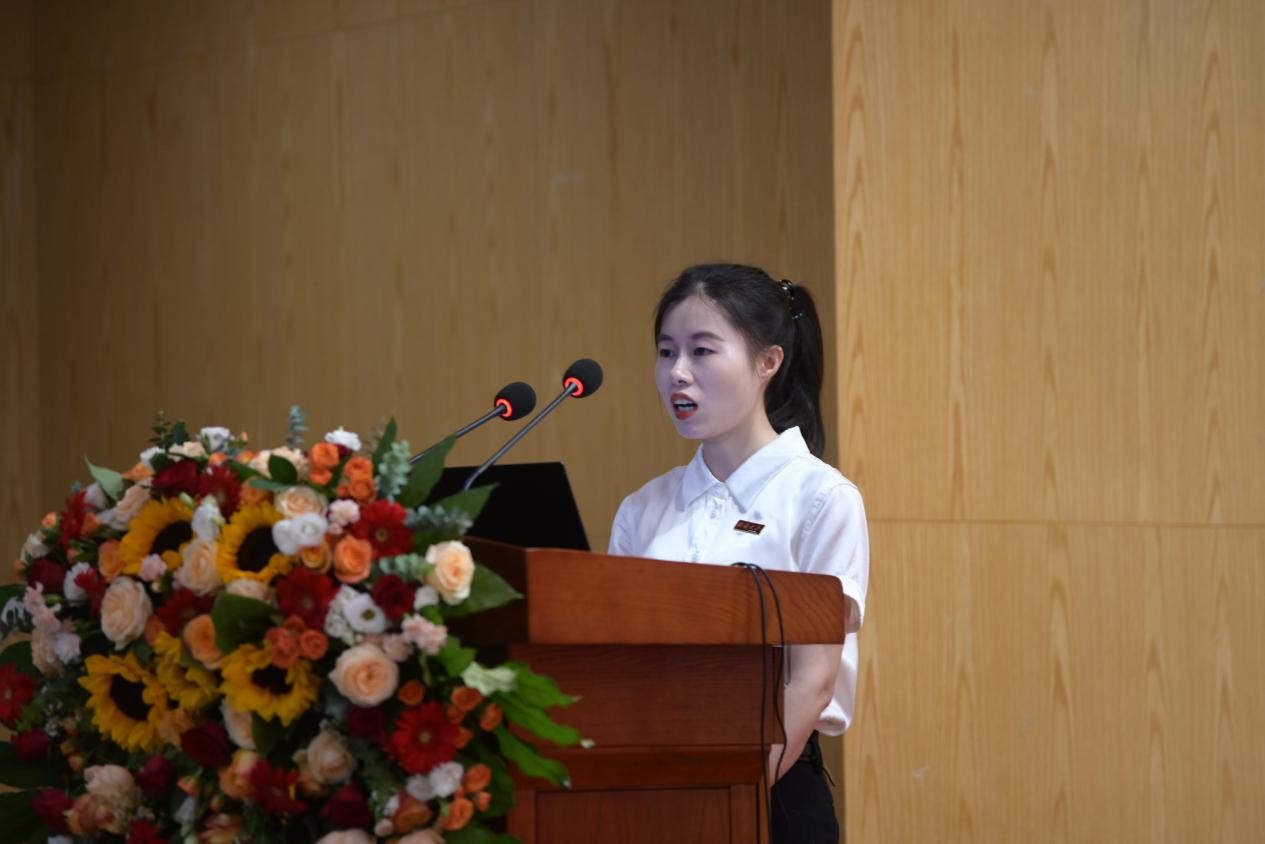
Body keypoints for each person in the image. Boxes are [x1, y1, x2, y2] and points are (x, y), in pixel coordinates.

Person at [609, 263, 869, 843]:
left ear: (767, 362)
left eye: (702, 351)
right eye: (666, 352)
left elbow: (812, 681)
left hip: (772, 788)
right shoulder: (642, 508)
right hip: (654, 785)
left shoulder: (820, 497)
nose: (677, 373)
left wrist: (725, 795)